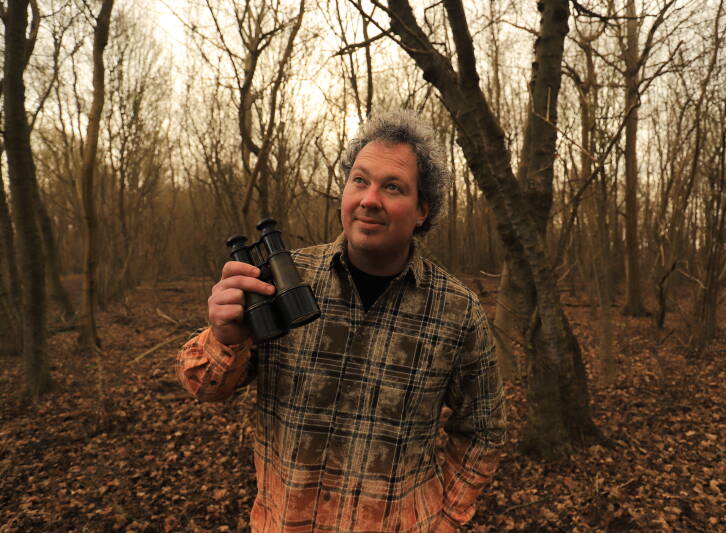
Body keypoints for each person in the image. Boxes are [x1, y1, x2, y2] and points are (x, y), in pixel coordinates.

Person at [176, 110, 506, 533]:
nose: (370, 199)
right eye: (359, 181)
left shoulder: (456, 310)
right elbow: (204, 388)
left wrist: (447, 518)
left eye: (392, 187)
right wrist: (225, 338)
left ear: (422, 210)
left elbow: (484, 430)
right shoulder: (279, 280)